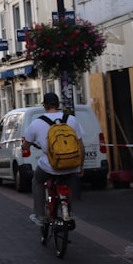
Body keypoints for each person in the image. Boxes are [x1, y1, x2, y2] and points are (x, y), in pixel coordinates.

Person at [21, 92, 85, 225]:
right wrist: (81, 166)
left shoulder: (37, 123)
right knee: (70, 179)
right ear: (58, 105)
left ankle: (39, 215)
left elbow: (25, 145)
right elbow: (81, 147)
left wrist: (25, 147)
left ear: (44, 105)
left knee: (37, 181)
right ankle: (69, 211)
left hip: (49, 166)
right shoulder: (71, 120)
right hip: (71, 165)